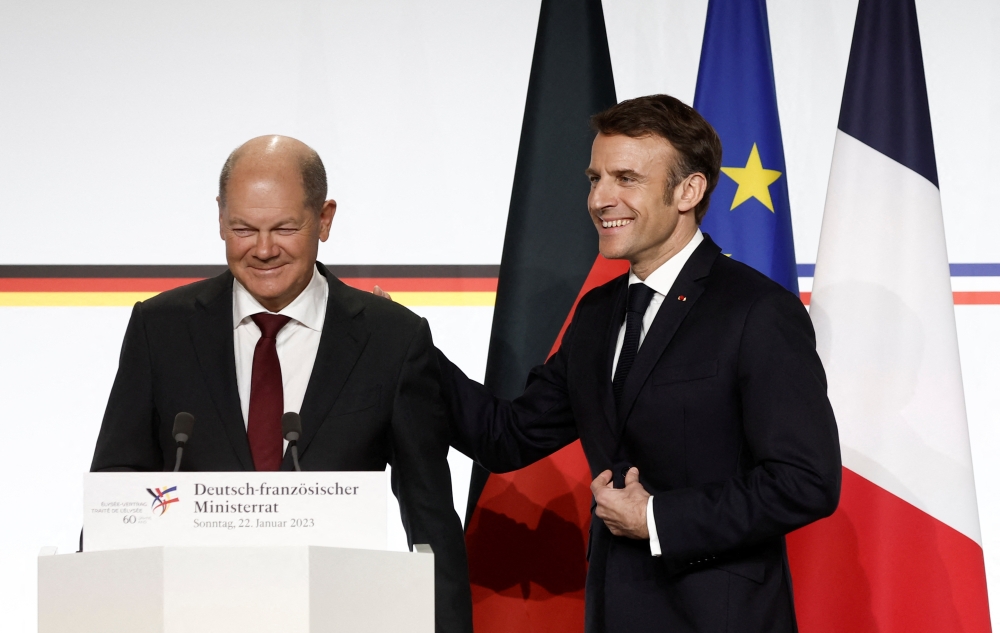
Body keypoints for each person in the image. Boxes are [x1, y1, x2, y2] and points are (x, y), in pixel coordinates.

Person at [433, 95, 841, 632]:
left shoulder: (756, 311)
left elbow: (806, 481)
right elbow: (505, 437)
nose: (600, 198)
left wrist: (655, 518)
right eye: (595, 177)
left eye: (625, 178)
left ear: (688, 191)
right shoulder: (599, 314)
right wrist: (406, 347)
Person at [90, 135, 472, 633]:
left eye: (285, 228)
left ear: (325, 219)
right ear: (220, 218)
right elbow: (115, 493)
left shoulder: (391, 339)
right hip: (191, 616)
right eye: (243, 228)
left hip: (340, 618)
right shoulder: (160, 328)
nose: (264, 250)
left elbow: (430, 520)